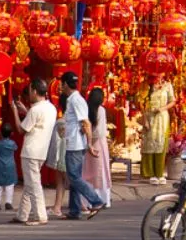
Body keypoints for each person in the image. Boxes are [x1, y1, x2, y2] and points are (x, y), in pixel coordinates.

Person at [60, 72, 105, 221]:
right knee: (75, 177)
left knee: (73, 177)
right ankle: (75, 210)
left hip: (75, 144)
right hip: (74, 142)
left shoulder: (75, 100)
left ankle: (96, 200)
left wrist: (89, 144)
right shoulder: (74, 99)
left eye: (62, 83)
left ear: (65, 84)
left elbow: (86, 123)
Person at [11, 79, 56, 226]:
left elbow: (21, 129)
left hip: (31, 151)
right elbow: (37, 120)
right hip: (41, 151)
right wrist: (25, 110)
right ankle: (22, 214)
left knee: (33, 185)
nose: (29, 94)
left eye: (30, 91)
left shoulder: (35, 110)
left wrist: (15, 112)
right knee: (30, 183)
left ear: (35, 92)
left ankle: (40, 215)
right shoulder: (51, 108)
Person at [140, 74, 175, 185]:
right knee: (150, 144)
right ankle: (151, 174)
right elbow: (142, 104)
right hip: (149, 117)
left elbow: (172, 101)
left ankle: (160, 173)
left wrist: (162, 108)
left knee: (160, 144)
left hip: (162, 117)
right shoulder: (146, 86)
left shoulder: (168, 86)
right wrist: (145, 119)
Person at [83, 87, 112, 209]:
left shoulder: (86, 109)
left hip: (87, 142)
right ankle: (102, 198)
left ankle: (88, 200)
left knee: (87, 172)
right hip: (98, 143)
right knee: (100, 172)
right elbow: (100, 131)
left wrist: (88, 141)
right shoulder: (101, 110)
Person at [0, 123, 17, 212]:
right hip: (10, 165)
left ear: (0, 133)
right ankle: (8, 202)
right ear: (11, 134)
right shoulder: (12, 143)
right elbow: (15, 148)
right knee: (10, 184)